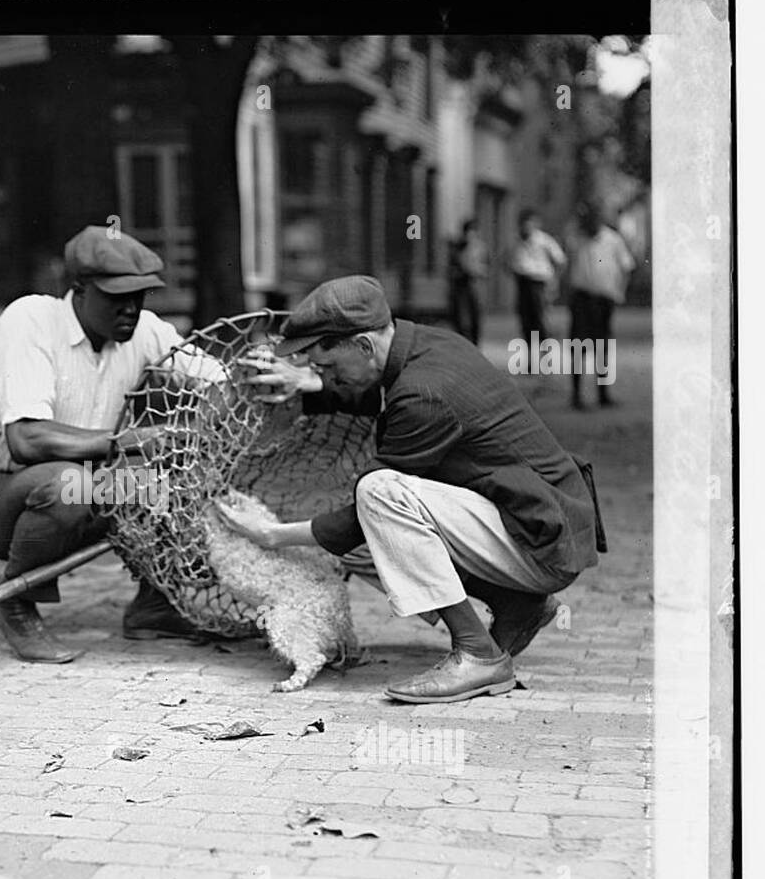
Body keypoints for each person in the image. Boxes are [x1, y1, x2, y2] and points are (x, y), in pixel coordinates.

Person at [226, 274, 602, 704]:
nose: (325, 376)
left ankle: (478, 654)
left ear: (364, 346)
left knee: (379, 495)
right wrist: (313, 387)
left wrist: (271, 534)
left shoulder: (424, 392)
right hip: (538, 523)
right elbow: (390, 392)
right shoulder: (429, 346)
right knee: (365, 535)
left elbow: (357, 517)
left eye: (327, 368)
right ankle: (519, 606)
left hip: (540, 543)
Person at [0, 225, 224, 664]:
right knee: (70, 483)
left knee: (160, 480)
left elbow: (218, 381)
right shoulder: (30, 320)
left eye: (139, 296)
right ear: (79, 289)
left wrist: (199, 428)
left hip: (94, 493)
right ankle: (15, 599)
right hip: (5, 503)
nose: (131, 309)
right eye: (116, 297)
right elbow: (26, 439)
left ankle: (154, 607)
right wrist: (127, 441)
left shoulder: (144, 331)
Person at [566, 202, 635, 410]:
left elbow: (626, 267)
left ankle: (603, 394)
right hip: (581, 299)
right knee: (578, 346)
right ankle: (576, 395)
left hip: (604, 300)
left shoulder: (613, 239)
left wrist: (619, 293)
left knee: (602, 347)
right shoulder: (577, 238)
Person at [508, 208, 566, 346]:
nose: (525, 227)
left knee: (541, 320)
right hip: (522, 283)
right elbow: (506, 259)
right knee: (525, 320)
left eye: (529, 224)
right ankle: (531, 357)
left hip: (539, 284)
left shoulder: (544, 240)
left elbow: (561, 261)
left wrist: (554, 281)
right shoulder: (515, 241)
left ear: (535, 224)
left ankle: (546, 355)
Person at [448, 219, 488, 346]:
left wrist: (477, 270)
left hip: (475, 286)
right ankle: (463, 345)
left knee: (476, 318)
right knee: (461, 319)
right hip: (460, 287)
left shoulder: (481, 248)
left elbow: (487, 267)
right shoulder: (457, 248)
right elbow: (451, 268)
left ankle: (475, 346)